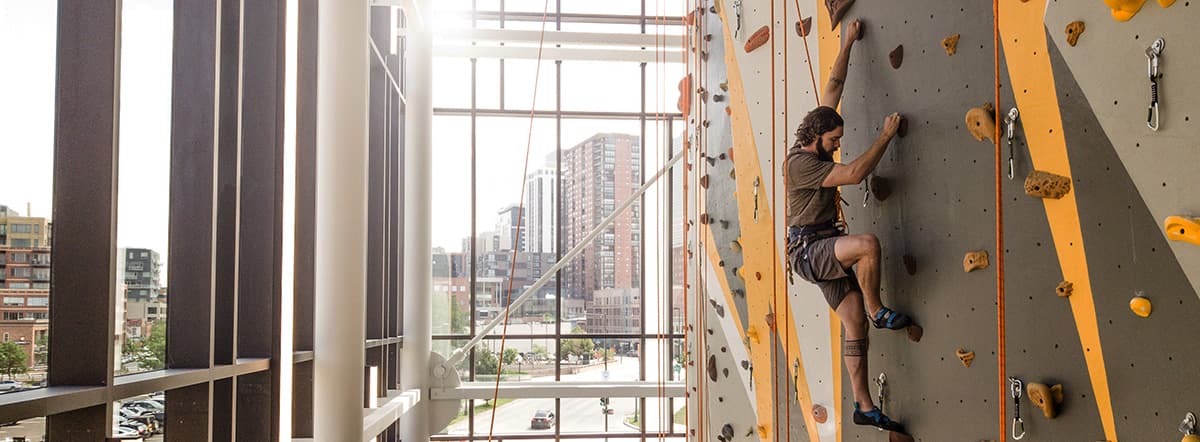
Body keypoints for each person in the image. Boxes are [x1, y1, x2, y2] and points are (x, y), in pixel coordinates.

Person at [784, 18, 910, 433]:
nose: (837, 145)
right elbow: (855, 173)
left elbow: (833, 86)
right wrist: (886, 136)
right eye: (834, 140)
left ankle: (863, 406)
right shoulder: (801, 164)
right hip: (808, 250)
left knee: (851, 319)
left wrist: (848, 42)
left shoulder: (816, 136)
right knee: (869, 245)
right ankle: (878, 309)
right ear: (817, 136)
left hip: (822, 245)